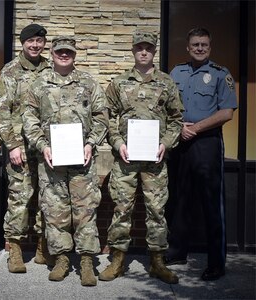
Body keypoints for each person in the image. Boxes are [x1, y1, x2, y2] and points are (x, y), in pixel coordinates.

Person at [22, 36, 109, 286]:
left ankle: (86, 261)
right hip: (51, 161)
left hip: (83, 159)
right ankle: (61, 258)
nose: (64, 55)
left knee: (85, 210)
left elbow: (102, 117)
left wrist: (91, 143)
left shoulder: (88, 83)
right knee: (55, 210)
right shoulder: (39, 84)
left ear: (74, 55)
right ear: (52, 53)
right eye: (59, 51)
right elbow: (29, 119)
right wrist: (42, 145)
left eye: (68, 52)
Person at [98, 31, 183, 284]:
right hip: (125, 160)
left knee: (156, 210)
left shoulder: (166, 83)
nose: (143, 52)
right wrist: (117, 142)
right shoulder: (119, 83)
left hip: (155, 161)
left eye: (148, 48)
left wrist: (166, 144)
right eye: (139, 48)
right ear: (133, 50)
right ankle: (117, 260)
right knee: (121, 209)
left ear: (154, 51)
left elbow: (177, 120)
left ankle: (157, 261)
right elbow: (107, 117)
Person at [164, 28, 237, 281]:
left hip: (206, 143)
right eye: (195, 44)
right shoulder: (176, 72)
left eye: (204, 44)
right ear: (187, 47)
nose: (199, 48)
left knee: (211, 203)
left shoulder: (220, 74)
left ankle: (216, 263)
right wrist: (177, 127)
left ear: (210, 47)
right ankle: (177, 252)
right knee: (179, 198)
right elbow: (166, 106)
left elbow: (226, 112)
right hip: (180, 142)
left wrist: (194, 128)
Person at [0, 23, 53, 273]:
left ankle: (42, 248)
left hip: (46, 147)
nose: (35, 45)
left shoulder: (51, 70)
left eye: (39, 41)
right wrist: (12, 144)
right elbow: (1, 111)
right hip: (20, 145)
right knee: (19, 197)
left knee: (46, 197)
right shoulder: (10, 71)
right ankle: (15, 250)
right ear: (23, 42)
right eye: (31, 41)